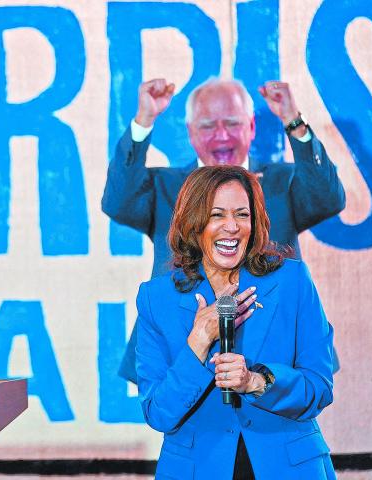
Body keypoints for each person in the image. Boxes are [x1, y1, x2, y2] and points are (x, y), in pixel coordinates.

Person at [103, 77, 345, 383]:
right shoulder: (165, 187)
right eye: (207, 126)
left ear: (252, 127)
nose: (221, 136)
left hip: (274, 353)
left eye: (232, 123)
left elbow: (328, 198)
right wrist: (144, 121)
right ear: (190, 133)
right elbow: (118, 202)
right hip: (181, 348)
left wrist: (293, 122)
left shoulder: (282, 182)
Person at [136, 166, 335, 479]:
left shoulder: (292, 281)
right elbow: (158, 413)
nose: (232, 227)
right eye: (217, 215)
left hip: (289, 467)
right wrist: (199, 341)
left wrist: (256, 382)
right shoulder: (156, 299)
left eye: (242, 214)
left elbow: (319, 387)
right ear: (193, 223)